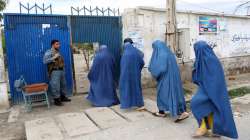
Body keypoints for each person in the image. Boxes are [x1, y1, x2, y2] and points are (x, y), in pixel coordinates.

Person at [191, 41, 238, 138]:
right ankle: (209, 128)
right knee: (208, 107)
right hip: (205, 88)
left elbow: (215, 78)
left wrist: (211, 92)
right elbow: (198, 75)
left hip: (214, 90)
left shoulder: (212, 60)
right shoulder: (201, 59)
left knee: (196, 103)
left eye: (196, 50)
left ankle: (208, 128)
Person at [148, 40, 189, 122]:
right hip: (174, 78)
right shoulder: (170, 54)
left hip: (165, 78)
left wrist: (153, 70)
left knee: (162, 94)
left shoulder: (161, 55)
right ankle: (181, 111)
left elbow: (159, 69)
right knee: (176, 94)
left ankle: (162, 112)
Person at [119, 38, 145, 110]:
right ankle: (139, 103)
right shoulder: (137, 51)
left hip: (126, 74)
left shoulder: (125, 53)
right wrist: (137, 69)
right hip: (136, 74)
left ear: (125, 44)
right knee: (136, 87)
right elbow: (142, 62)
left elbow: (122, 65)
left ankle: (127, 104)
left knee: (126, 88)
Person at [43, 39, 71, 106]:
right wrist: (54, 57)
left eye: (59, 44)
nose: (59, 45)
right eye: (57, 44)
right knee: (55, 86)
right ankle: (56, 100)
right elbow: (44, 61)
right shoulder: (49, 52)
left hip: (61, 70)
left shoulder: (57, 51)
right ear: (53, 45)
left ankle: (62, 97)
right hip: (54, 71)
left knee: (63, 84)